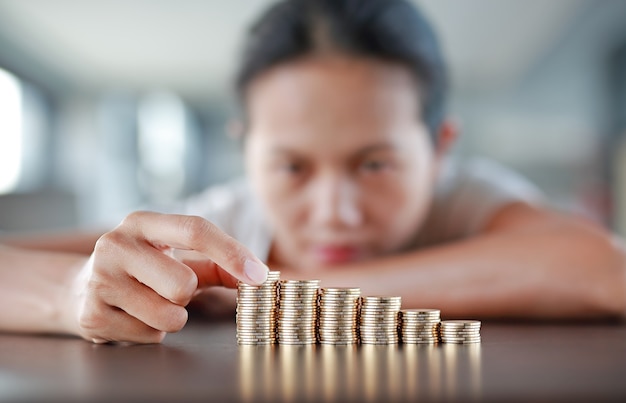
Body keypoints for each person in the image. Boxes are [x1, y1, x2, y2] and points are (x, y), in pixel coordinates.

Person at [1, 0, 625, 344]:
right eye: (292, 166)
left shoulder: (468, 196)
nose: (334, 210)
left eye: (375, 163)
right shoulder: (221, 220)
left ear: (440, 148)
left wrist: (282, 292)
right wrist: (70, 292)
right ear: (246, 152)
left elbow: (601, 267)